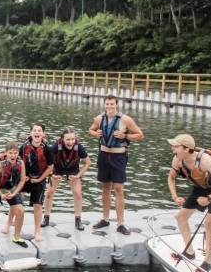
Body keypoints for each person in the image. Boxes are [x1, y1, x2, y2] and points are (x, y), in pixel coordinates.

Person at [89, 95, 144, 235]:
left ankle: (120, 224)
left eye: (112, 104)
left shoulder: (125, 119)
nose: (109, 107)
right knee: (105, 187)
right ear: (104, 105)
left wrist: (125, 136)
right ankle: (105, 219)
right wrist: (96, 134)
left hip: (118, 156)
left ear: (116, 105)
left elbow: (140, 135)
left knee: (118, 188)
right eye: (107, 104)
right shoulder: (99, 118)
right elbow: (91, 130)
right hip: (103, 155)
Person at [168, 134, 211, 272]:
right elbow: (171, 178)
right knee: (180, 217)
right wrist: (175, 196)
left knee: (208, 223)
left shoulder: (204, 160)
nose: (172, 148)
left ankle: (207, 262)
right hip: (200, 188)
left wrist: (209, 199)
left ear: (186, 148)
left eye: (176, 146)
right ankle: (189, 252)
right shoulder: (177, 160)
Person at [42, 127, 91, 230]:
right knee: (50, 192)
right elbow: (46, 161)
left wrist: (78, 175)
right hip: (57, 168)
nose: (70, 142)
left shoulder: (79, 148)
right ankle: (46, 217)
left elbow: (88, 163)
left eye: (72, 139)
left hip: (73, 169)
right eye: (68, 139)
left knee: (78, 193)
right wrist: (51, 174)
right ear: (62, 139)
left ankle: (78, 219)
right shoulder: (56, 146)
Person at [17, 124, 54, 242]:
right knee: (16, 200)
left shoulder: (47, 149)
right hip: (25, 178)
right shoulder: (24, 147)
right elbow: (19, 162)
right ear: (31, 133)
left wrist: (39, 179)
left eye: (39, 131)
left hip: (39, 179)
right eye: (34, 130)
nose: (37, 133)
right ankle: (9, 223)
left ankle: (37, 231)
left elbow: (50, 168)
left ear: (43, 134)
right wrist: (23, 176)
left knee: (37, 205)